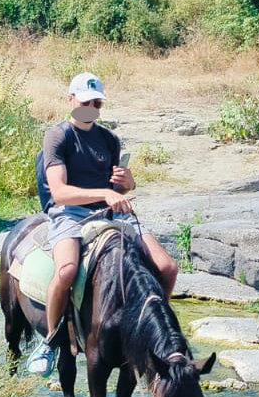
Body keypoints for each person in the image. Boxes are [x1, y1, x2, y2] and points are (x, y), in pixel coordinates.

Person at [27, 72, 179, 376]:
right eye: (85, 101)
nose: (91, 107)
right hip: (69, 214)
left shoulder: (109, 139)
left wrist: (127, 183)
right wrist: (105, 193)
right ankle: (49, 340)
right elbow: (59, 192)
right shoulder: (58, 136)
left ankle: (151, 329)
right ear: (71, 100)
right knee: (68, 270)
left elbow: (117, 190)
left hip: (111, 215)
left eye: (96, 102)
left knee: (168, 268)